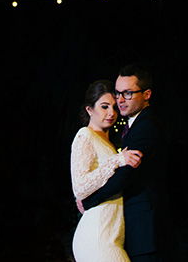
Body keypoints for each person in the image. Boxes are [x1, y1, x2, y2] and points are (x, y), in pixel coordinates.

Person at [81, 64, 162, 262]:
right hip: (126, 227)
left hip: (144, 227)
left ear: (147, 94)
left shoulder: (146, 126)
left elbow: (126, 175)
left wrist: (89, 201)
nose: (120, 100)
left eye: (127, 93)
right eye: (118, 93)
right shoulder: (131, 126)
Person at [70, 79, 143, 262]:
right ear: (89, 110)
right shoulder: (85, 135)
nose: (111, 113)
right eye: (104, 107)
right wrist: (117, 160)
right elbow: (80, 187)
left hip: (110, 235)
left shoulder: (109, 144)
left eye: (114, 107)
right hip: (97, 236)